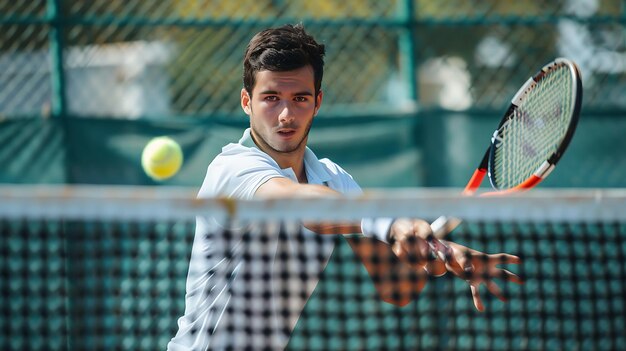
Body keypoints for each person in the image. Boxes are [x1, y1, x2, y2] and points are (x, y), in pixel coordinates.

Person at [167, 24, 523, 350]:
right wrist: (390, 224)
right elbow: (303, 206)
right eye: (271, 98)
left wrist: (432, 251)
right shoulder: (233, 167)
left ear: (317, 102)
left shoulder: (333, 179)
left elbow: (395, 288)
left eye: (300, 99)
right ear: (247, 102)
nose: (286, 115)